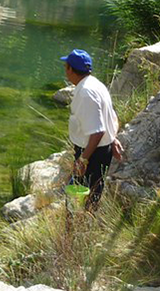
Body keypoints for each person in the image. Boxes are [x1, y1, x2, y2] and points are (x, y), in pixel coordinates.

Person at [61, 49, 123, 206]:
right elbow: (111, 117)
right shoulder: (96, 84)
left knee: (78, 199)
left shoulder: (85, 93)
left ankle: (77, 227)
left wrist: (83, 160)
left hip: (92, 153)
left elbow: (97, 132)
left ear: (70, 69)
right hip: (101, 149)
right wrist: (113, 138)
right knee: (93, 194)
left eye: (65, 66)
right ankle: (85, 224)